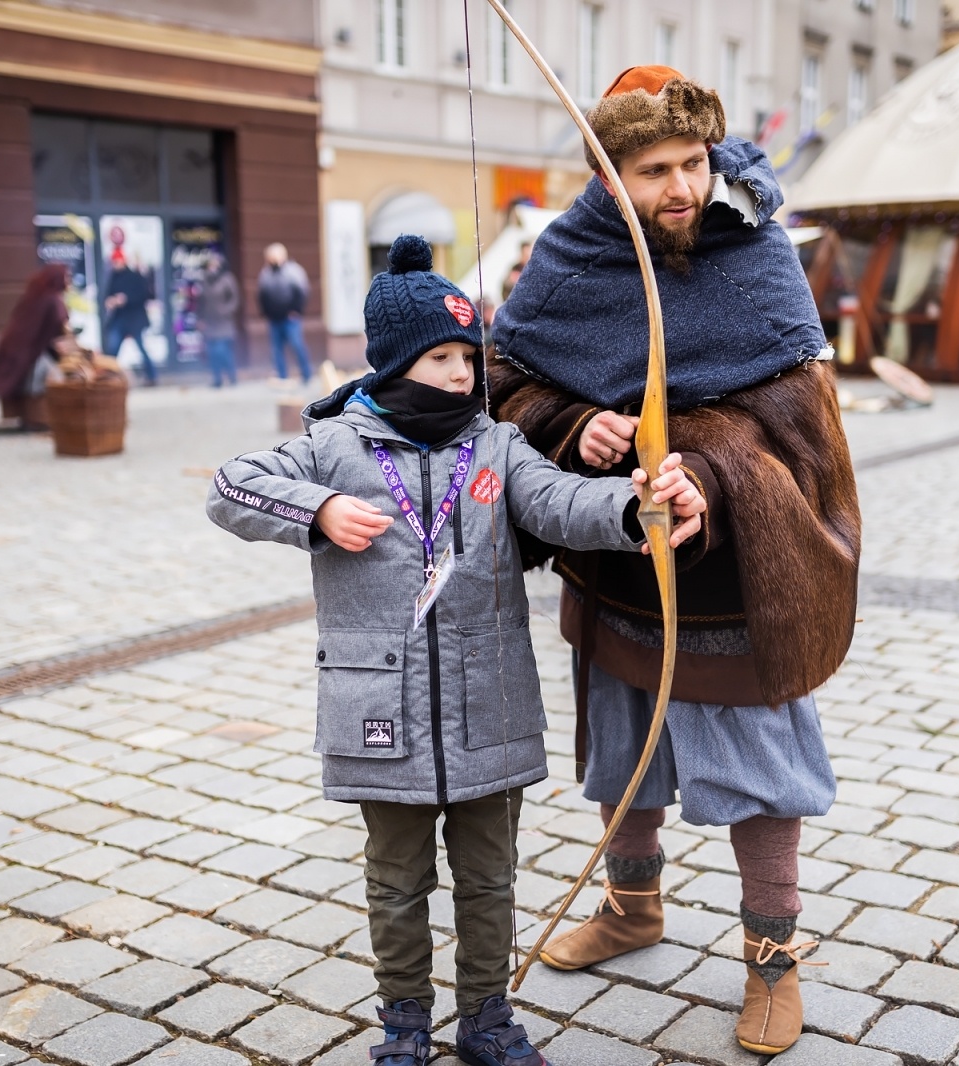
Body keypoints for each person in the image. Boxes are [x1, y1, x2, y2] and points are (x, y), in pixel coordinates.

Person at [207, 234, 703, 1066]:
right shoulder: (334, 446)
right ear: (395, 360)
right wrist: (321, 511)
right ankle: (403, 1022)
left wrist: (634, 505)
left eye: (467, 357)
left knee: (490, 880)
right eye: (439, 356)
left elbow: (561, 502)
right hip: (381, 712)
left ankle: (486, 1016)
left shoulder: (496, 444)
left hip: (488, 708)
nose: (460, 374)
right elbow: (230, 485)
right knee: (396, 884)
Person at [489, 66, 862, 1056]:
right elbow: (507, 389)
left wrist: (708, 468)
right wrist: (578, 425)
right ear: (609, 177)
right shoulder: (570, 255)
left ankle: (772, 965)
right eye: (653, 170)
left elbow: (803, 424)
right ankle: (631, 909)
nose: (682, 189)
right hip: (619, 563)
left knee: (761, 775)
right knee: (626, 753)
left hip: (736, 573)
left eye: (692, 163)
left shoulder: (754, 245)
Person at [0, 263, 70, 430]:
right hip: (28, 357)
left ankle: (31, 416)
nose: (69, 281)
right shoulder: (52, 299)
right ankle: (43, 417)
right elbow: (60, 328)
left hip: (17, 357)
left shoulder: (33, 295)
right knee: (56, 376)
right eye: (67, 277)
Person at [258, 242, 313, 385]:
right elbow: (262, 294)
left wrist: (296, 310)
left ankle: (306, 374)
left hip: (290, 318)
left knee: (297, 345)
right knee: (276, 349)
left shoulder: (293, 271)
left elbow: (302, 292)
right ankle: (282, 376)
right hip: (274, 318)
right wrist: (266, 312)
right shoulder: (266, 273)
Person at [103, 259, 156, 386]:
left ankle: (152, 376)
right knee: (113, 349)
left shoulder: (135, 277)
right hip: (119, 318)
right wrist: (111, 301)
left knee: (141, 349)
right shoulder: (114, 277)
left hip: (134, 319)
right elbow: (108, 294)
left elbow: (145, 295)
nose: (115, 265)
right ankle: (107, 376)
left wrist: (126, 299)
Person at [200, 253, 241, 388]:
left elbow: (235, 299)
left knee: (222, 350)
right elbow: (200, 302)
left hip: (224, 321)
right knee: (212, 352)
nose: (212, 268)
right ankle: (217, 379)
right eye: (210, 265)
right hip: (210, 321)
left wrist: (226, 311)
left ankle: (232, 376)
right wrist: (200, 318)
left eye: (215, 265)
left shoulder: (227, 279)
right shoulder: (204, 280)